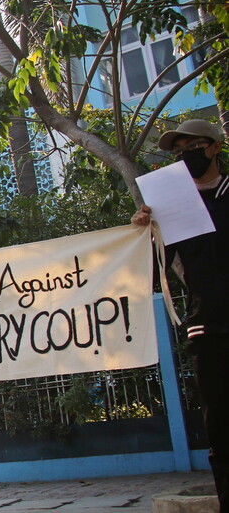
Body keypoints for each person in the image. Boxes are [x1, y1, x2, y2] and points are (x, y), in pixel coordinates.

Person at [132, 119, 228, 513]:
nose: (186, 155)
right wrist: (144, 233)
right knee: (221, 431)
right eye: (178, 151)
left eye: (193, 146)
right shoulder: (171, 207)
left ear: (214, 148)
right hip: (208, 327)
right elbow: (153, 273)